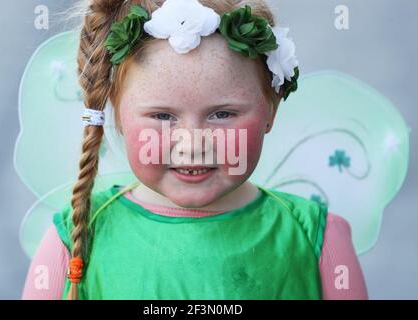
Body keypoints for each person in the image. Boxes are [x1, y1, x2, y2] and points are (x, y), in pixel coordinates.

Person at [22, 0, 368, 300]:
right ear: (118, 115)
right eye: (162, 116)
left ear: (270, 110)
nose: (193, 143)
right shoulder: (77, 238)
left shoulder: (317, 237)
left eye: (222, 114)